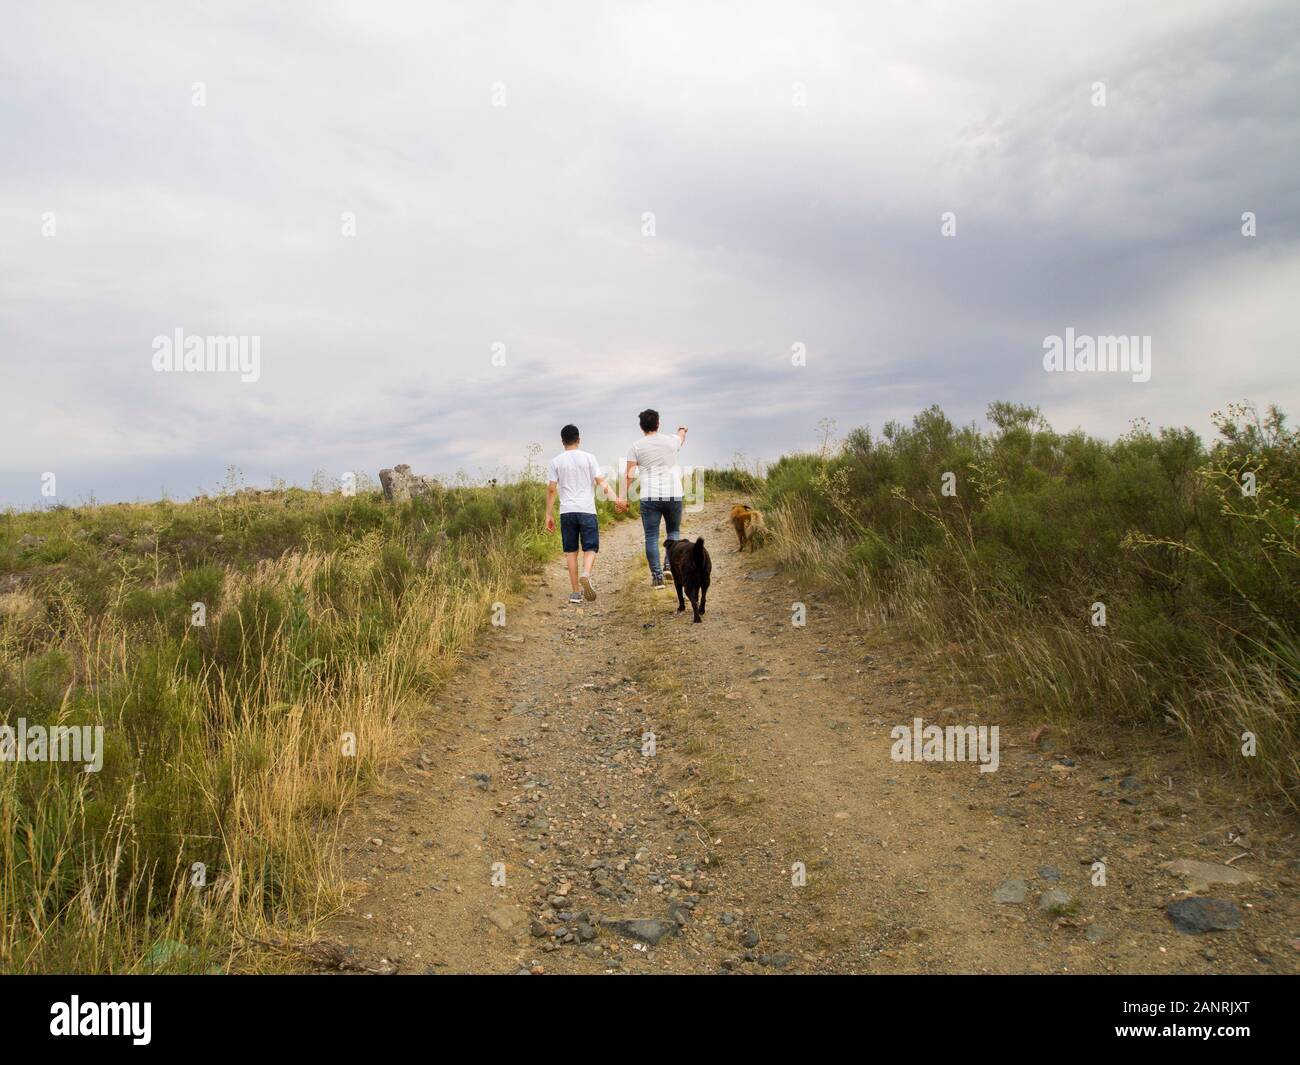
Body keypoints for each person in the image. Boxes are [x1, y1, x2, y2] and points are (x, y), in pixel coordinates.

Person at [544, 424, 621, 603]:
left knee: (571, 552)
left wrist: (548, 515)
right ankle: (586, 573)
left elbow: (551, 490)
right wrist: (616, 499)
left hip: (567, 511)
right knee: (591, 547)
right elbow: (601, 483)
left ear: (562, 441)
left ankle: (575, 593)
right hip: (586, 510)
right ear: (579, 439)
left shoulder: (556, 461)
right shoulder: (589, 458)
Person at [618, 408, 687, 588]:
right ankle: (668, 565)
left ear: (641, 427)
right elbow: (681, 437)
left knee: (651, 536)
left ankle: (657, 577)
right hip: (673, 494)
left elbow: (629, 475)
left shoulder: (636, 447)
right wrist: (682, 429)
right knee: (673, 532)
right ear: (658, 423)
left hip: (650, 497)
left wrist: (622, 498)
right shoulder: (671, 441)